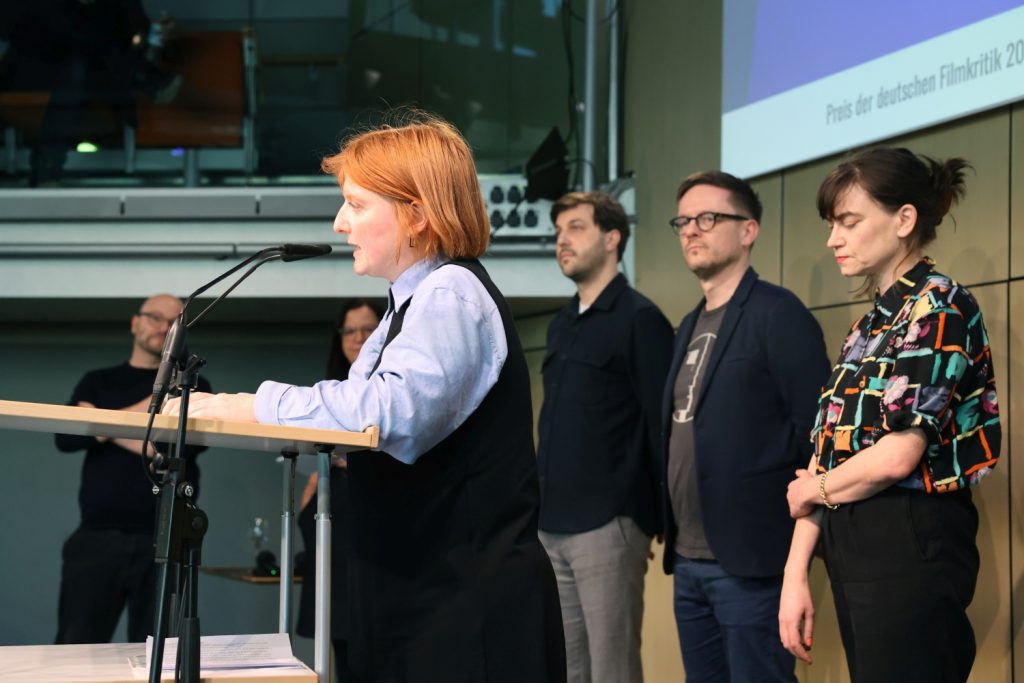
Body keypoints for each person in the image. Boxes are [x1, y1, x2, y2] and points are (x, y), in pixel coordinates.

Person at [165, 112, 566, 682]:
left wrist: (249, 405)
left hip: (469, 611)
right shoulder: (406, 305)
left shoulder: (451, 293)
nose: (339, 222)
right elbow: (355, 408)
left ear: (417, 215)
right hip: (426, 597)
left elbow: (383, 413)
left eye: (355, 204)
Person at [778, 147, 1001, 683]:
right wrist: (794, 572)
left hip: (910, 538)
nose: (833, 239)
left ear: (904, 220)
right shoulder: (866, 328)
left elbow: (898, 455)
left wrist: (813, 491)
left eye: (849, 222)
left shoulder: (939, 305)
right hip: (853, 538)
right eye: (832, 224)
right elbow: (826, 452)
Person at [664, 171, 829, 682]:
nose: (692, 230)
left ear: (748, 230)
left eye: (707, 218)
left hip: (752, 560)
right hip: (688, 560)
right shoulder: (688, 325)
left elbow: (817, 434)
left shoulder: (778, 314)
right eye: (683, 221)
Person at [536, 191, 673, 683]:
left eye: (576, 228)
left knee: (611, 672)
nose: (562, 240)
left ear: (612, 238)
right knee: (568, 671)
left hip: (608, 522)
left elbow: (661, 422)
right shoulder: (561, 324)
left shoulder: (640, 318)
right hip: (551, 523)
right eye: (558, 232)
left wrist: (654, 516)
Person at [53, 293, 211, 644]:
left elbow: (172, 449)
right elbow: (65, 437)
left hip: (165, 539)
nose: (164, 328)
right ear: (135, 323)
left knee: (156, 652)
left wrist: (100, 423)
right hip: (96, 538)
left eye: (174, 323)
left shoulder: (192, 386)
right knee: (76, 647)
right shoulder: (98, 381)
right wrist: (150, 417)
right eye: (155, 318)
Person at [296, 298, 384, 682]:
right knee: (341, 653)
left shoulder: (395, 383)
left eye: (368, 329)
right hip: (334, 518)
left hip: (378, 525)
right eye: (350, 331)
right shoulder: (332, 389)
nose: (358, 338)